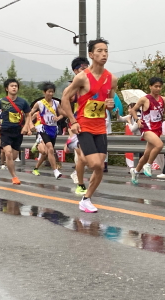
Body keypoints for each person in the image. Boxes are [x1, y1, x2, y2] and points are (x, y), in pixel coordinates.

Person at [61, 38, 117, 213]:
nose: (104, 54)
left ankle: (86, 199)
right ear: (91, 55)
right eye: (99, 51)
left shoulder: (112, 79)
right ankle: (81, 152)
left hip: (100, 126)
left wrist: (110, 105)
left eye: (106, 51)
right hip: (84, 125)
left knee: (100, 166)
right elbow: (64, 98)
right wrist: (73, 120)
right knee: (95, 165)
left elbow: (111, 101)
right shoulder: (82, 77)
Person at [0, 78, 31, 185]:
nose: (14, 87)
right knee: (8, 153)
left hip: (18, 131)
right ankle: (14, 177)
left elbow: (28, 115)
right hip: (5, 130)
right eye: (12, 86)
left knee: (13, 156)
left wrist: (26, 127)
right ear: (6, 88)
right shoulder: (1, 102)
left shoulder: (23, 102)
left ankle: (10, 166)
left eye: (16, 86)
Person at [129, 77, 165, 184]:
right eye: (155, 86)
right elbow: (133, 110)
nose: (158, 89)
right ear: (150, 86)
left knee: (147, 154)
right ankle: (148, 165)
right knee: (159, 145)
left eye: (160, 86)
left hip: (157, 129)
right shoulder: (144, 99)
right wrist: (137, 120)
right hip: (146, 128)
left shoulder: (163, 99)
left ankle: (136, 171)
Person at [63, 56, 89, 193]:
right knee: (82, 157)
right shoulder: (72, 88)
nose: (86, 70)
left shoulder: (91, 86)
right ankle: (80, 183)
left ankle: (78, 175)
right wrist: (72, 122)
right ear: (75, 71)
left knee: (87, 159)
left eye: (87, 67)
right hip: (77, 126)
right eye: (82, 68)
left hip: (91, 125)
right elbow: (65, 102)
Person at [30, 82, 65, 179]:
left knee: (47, 152)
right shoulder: (40, 103)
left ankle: (36, 168)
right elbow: (29, 113)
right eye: (49, 92)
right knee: (50, 148)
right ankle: (55, 171)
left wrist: (58, 118)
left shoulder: (56, 103)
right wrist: (30, 124)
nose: (51, 94)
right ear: (44, 92)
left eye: (52, 92)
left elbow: (62, 114)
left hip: (53, 129)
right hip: (43, 128)